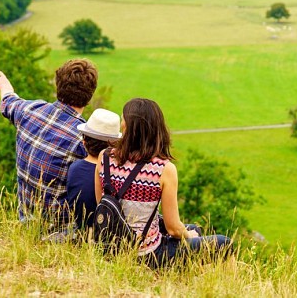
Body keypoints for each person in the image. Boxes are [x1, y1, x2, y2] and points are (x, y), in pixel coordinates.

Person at [95, 97, 231, 268]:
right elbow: (173, 228)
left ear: (127, 126)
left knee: (192, 229)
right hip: (148, 254)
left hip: (112, 249)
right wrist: (190, 236)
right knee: (223, 242)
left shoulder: (105, 157)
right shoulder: (164, 169)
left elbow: (103, 205)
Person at [0, 59, 98, 225]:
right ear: (90, 96)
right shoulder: (83, 139)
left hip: (26, 222)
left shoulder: (29, 111)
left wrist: (3, 85)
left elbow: (8, 102)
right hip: (62, 232)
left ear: (58, 85)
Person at [66, 108, 122, 231]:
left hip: (80, 231)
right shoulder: (118, 173)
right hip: (107, 234)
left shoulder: (74, 168)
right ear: (114, 146)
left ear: (84, 142)